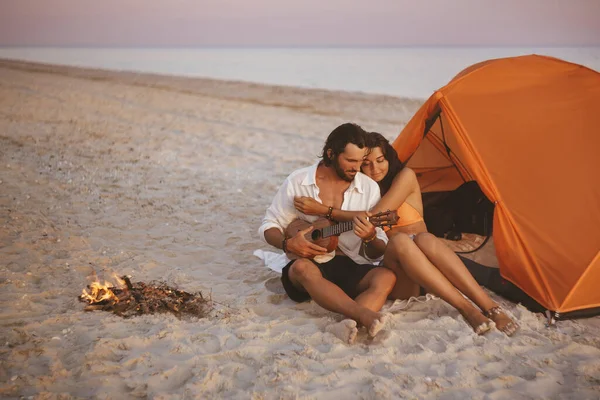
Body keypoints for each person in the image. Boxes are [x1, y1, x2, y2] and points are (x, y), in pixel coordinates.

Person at [294, 132, 519, 336]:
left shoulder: (405, 176)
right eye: (367, 164)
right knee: (401, 241)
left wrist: (324, 210)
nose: (375, 169)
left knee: (425, 238)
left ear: (389, 157)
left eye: (380, 160)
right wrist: (369, 237)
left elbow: (377, 214)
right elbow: (378, 251)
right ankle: (467, 308)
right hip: (401, 274)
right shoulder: (363, 192)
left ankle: (489, 306)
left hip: (429, 270)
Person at [259, 123, 397, 344]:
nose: (357, 168)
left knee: (386, 276)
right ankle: (363, 315)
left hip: (348, 262)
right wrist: (288, 245)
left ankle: (346, 323)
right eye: (351, 161)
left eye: (361, 161)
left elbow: (375, 251)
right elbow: (269, 225)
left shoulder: (369, 188)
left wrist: (370, 236)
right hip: (308, 267)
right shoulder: (299, 180)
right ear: (331, 153)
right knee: (302, 267)